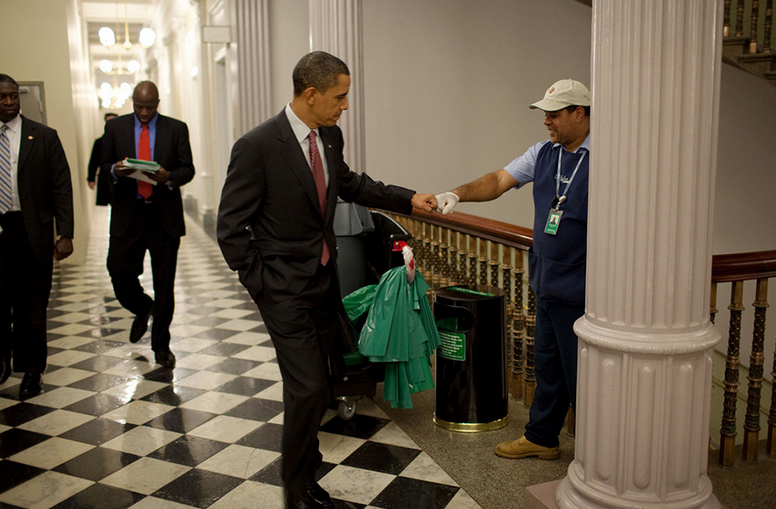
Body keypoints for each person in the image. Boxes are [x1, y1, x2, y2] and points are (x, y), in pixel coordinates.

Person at [217, 51, 437, 509]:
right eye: (340, 96)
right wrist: (261, 283)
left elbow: (352, 184)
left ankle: (304, 475)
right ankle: (296, 489)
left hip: (322, 282)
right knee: (310, 387)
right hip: (282, 290)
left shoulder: (329, 137)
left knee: (317, 381)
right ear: (311, 94)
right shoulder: (257, 146)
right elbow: (230, 227)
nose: (345, 106)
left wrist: (409, 198)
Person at [435, 79, 591, 460]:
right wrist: (456, 194)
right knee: (548, 365)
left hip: (585, 287)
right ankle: (542, 437)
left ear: (580, 113)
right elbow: (499, 180)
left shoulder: (609, 157)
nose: (547, 122)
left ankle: (601, 459)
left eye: (554, 115)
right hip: (547, 281)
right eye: (545, 115)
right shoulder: (543, 153)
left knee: (583, 377)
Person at [100, 81, 195, 368]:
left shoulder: (176, 128)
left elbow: (187, 169)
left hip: (162, 215)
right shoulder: (115, 128)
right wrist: (116, 170)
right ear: (132, 102)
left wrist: (168, 177)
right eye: (139, 106)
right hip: (128, 214)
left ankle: (161, 346)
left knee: (165, 284)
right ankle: (143, 307)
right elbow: (103, 166)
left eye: (150, 107)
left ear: (158, 103)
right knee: (117, 270)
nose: (144, 112)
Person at [0, 74, 74, 398]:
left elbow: (62, 186)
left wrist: (66, 233)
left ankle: (32, 371)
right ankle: (3, 361)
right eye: (3, 97)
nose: (9, 102)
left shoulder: (43, 137)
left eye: (13, 96)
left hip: (32, 233)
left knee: (32, 307)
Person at [87, 112, 118, 206]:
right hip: (105, 177)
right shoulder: (100, 142)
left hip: (120, 178)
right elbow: (94, 161)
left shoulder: (124, 141)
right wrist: (91, 178)